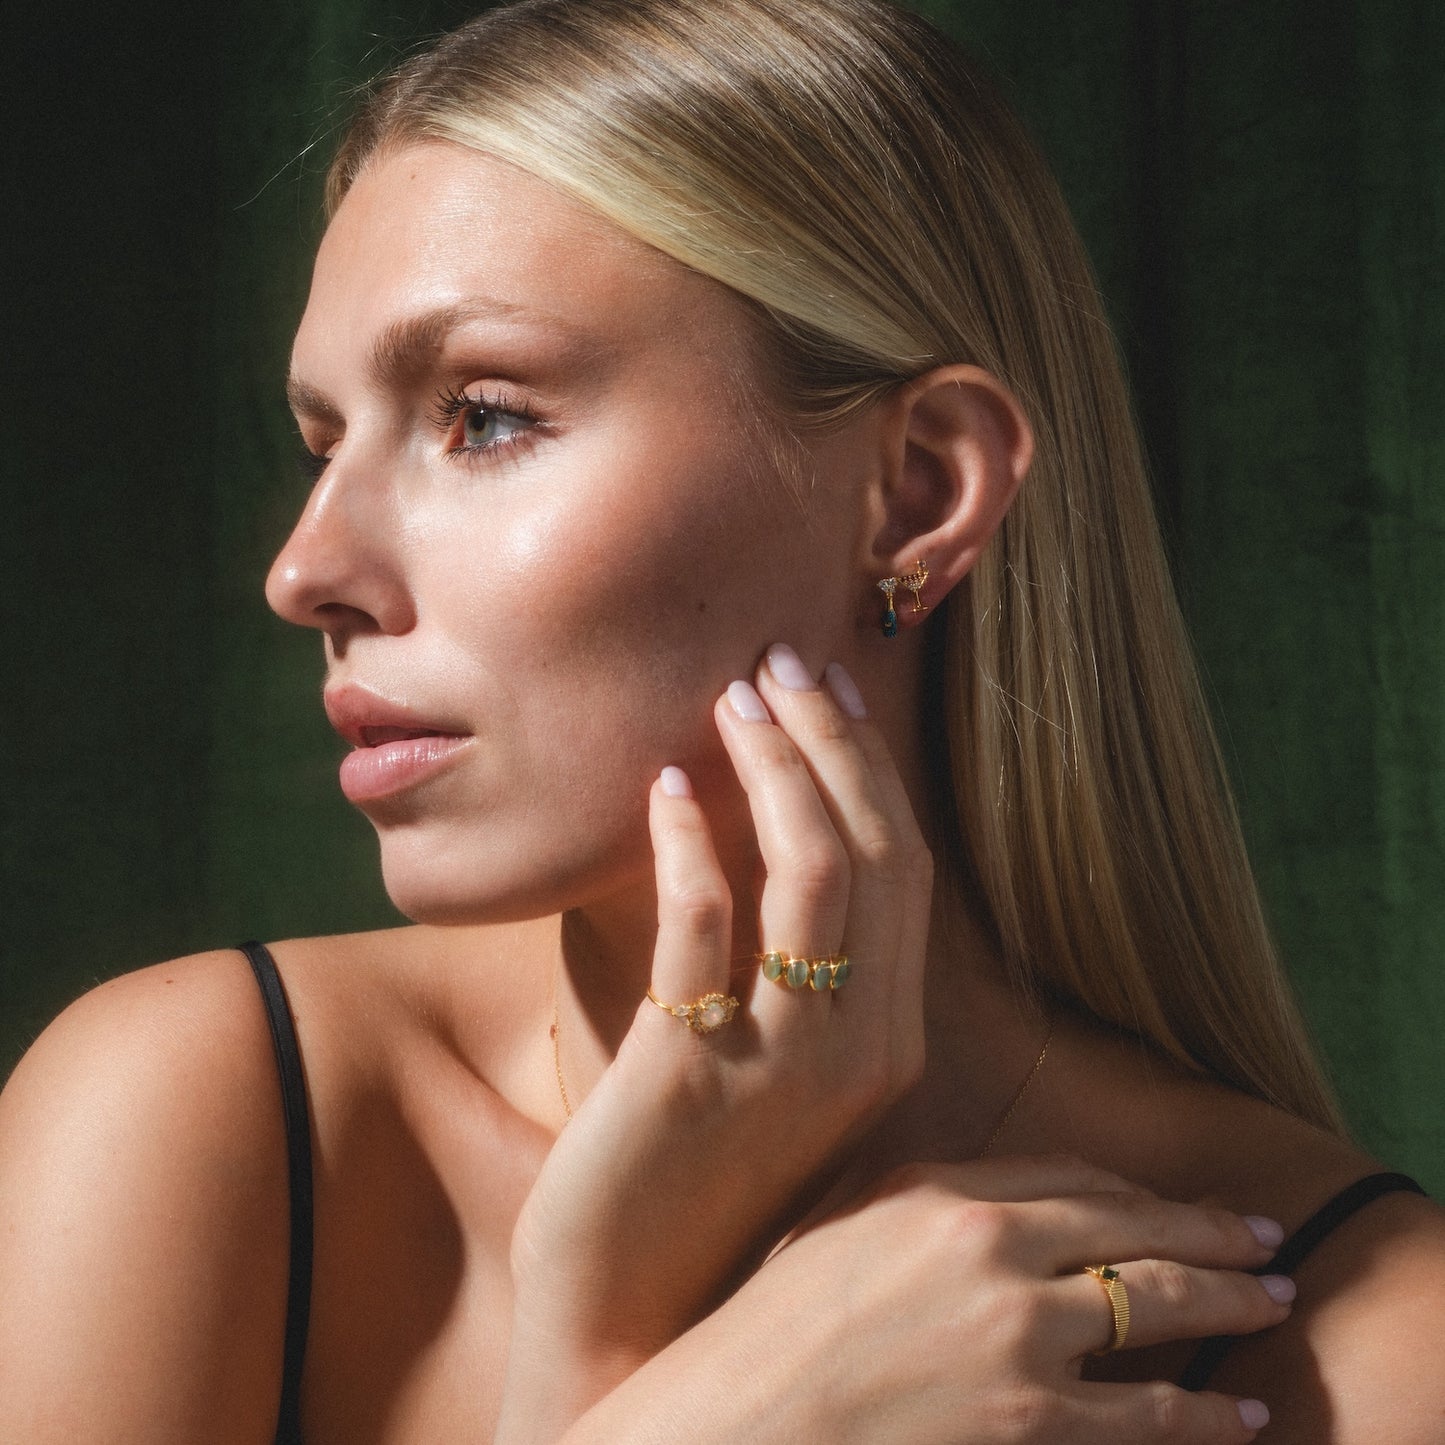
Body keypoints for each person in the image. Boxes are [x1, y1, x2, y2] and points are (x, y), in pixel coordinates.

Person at [2, 0, 1442, 1440]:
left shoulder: (1351, 1340)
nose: (305, 572)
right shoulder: (195, 1119)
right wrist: (620, 1361)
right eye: (323, 445)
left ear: (920, 491)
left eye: (483, 416)